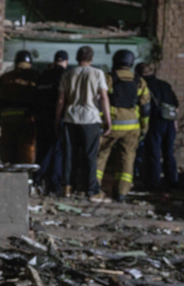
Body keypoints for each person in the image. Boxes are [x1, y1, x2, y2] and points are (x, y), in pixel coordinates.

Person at [94, 50, 151, 202]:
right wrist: (144, 128)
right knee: (127, 159)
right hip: (132, 127)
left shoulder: (108, 78)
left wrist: (101, 123)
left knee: (100, 156)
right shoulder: (139, 81)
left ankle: (94, 188)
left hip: (110, 126)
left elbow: (99, 101)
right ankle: (121, 193)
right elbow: (145, 108)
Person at [55, 45, 112, 198]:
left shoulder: (68, 74)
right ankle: (91, 190)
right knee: (90, 156)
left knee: (69, 154)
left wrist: (57, 120)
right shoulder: (98, 73)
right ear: (91, 58)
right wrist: (108, 120)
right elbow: (104, 97)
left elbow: (61, 100)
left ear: (77, 58)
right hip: (91, 119)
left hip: (70, 117)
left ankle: (67, 187)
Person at [0, 50, 39, 163]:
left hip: (7, 120)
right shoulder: (35, 77)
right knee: (25, 151)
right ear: (30, 63)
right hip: (27, 120)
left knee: (8, 151)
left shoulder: (6, 77)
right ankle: (25, 177)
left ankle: (8, 175)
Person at [33, 50, 69, 194]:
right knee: (57, 151)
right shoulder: (63, 75)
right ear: (66, 62)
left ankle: (37, 180)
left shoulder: (43, 76)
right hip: (55, 118)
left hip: (40, 118)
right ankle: (54, 184)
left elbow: (35, 96)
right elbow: (62, 99)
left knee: (41, 149)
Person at [141, 62, 179, 191]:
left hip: (155, 122)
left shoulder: (144, 85)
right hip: (169, 122)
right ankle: (172, 181)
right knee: (169, 153)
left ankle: (154, 183)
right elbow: (175, 105)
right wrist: (174, 122)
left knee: (154, 153)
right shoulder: (165, 85)